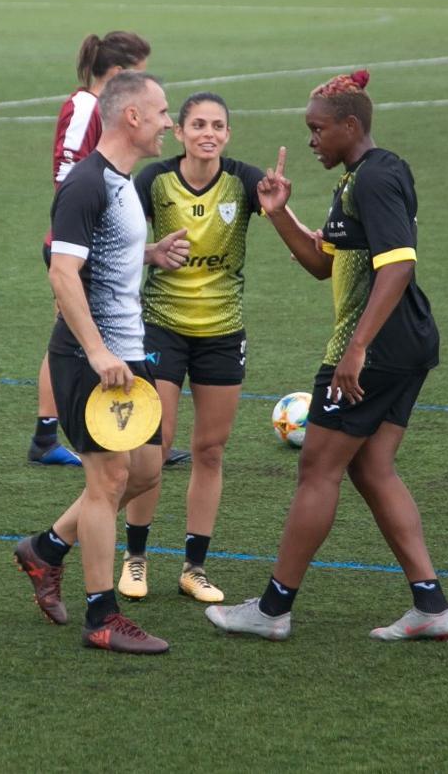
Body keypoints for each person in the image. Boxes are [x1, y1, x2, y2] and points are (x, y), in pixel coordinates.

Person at [205, 71, 448, 642]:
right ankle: (432, 606)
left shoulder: (376, 177)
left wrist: (358, 348)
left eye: (319, 129)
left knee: (317, 468)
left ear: (351, 125)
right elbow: (325, 261)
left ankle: (272, 610)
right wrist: (277, 212)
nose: (312, 139)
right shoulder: (358, 179)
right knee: (371, 467)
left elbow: (398, 265)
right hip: (404, 342)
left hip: (378, 347)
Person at [13, 72, 190, 654]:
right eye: (163, 111)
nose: (171, 122)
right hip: (93, 358)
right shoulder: (86, 184)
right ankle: (102, 618)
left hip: (126, 352)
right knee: (109, 477)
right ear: (132, 117)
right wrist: (96, 350)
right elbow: (62, 271)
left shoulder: (123, 181)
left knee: (144, 470)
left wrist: (149, 255)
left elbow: (103, 253)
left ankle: (45, 550)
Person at [117, 92, 305, 603]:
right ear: (178, 132)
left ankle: (193, 568)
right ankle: (135, 559)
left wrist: (280, 211)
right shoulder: (154, 181)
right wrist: (152, 254)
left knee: (210, 450)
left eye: (218, 126)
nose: (208, 133)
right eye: (198, 124)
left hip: (222, 333)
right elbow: (115, 241)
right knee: (153, 446)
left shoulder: (244, 181)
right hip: (160, 327)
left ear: (228, 134)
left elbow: (297, 240)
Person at [29, 31, 153, 468]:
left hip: (90, 240)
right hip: (78, 244)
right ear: (118, 74)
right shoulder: (85, 107)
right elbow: (68, 174)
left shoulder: (97, 108)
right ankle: (50, 434)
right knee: (72, 333)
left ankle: (61, 433)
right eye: (139, 74)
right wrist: (86, 230)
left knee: (71, 330)